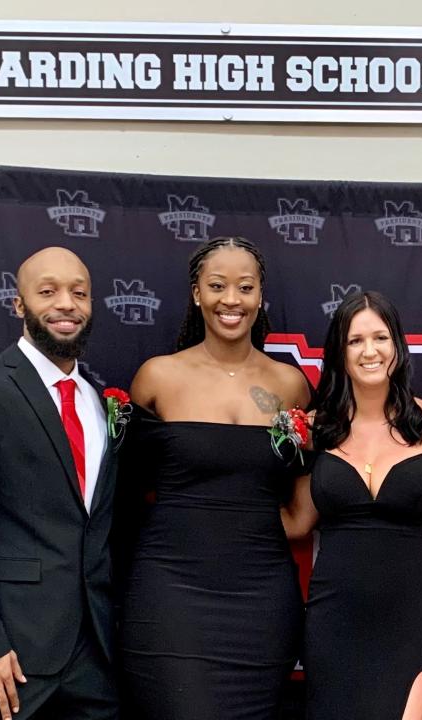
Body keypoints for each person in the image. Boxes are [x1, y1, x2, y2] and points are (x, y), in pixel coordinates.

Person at [116, 237, 310, 719]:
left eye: (245, 287)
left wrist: (243, 526)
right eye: (217, 285)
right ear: (196, 293)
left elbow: (304, 511)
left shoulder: (290, 385)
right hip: (170, 592)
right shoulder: (156, 377)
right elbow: (124, 496)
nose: (231, 300)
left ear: (261, 296)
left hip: (261, 598)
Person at [0, 247, 118, 720]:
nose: (66, 304)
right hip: (7, 656)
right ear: (19, 304)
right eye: (48, 291)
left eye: (79, 293)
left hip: (94, 656)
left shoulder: (99, 400)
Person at [281, 290, 422, 720]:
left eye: (380, 337)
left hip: (410, 617)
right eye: (355, 340)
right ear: (339, 353)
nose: (369, 351)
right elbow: (299, 521)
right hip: (333, 619)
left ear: (397, 345)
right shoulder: (315, 427)